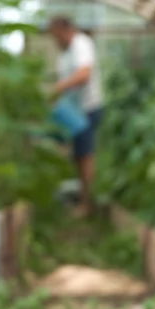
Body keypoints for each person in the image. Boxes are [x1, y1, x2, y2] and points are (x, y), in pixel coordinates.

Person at [49, 16, 104, 217]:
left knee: (85, 155)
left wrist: (57, 88)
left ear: (65, 30)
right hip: (74, 111)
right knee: (79, 155)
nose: (55, 40)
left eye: (56, 35)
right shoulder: (64, 54)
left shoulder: (81, 44)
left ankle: (87, 204)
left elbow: (84, 75)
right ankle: (83, 199)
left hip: (87, 109)